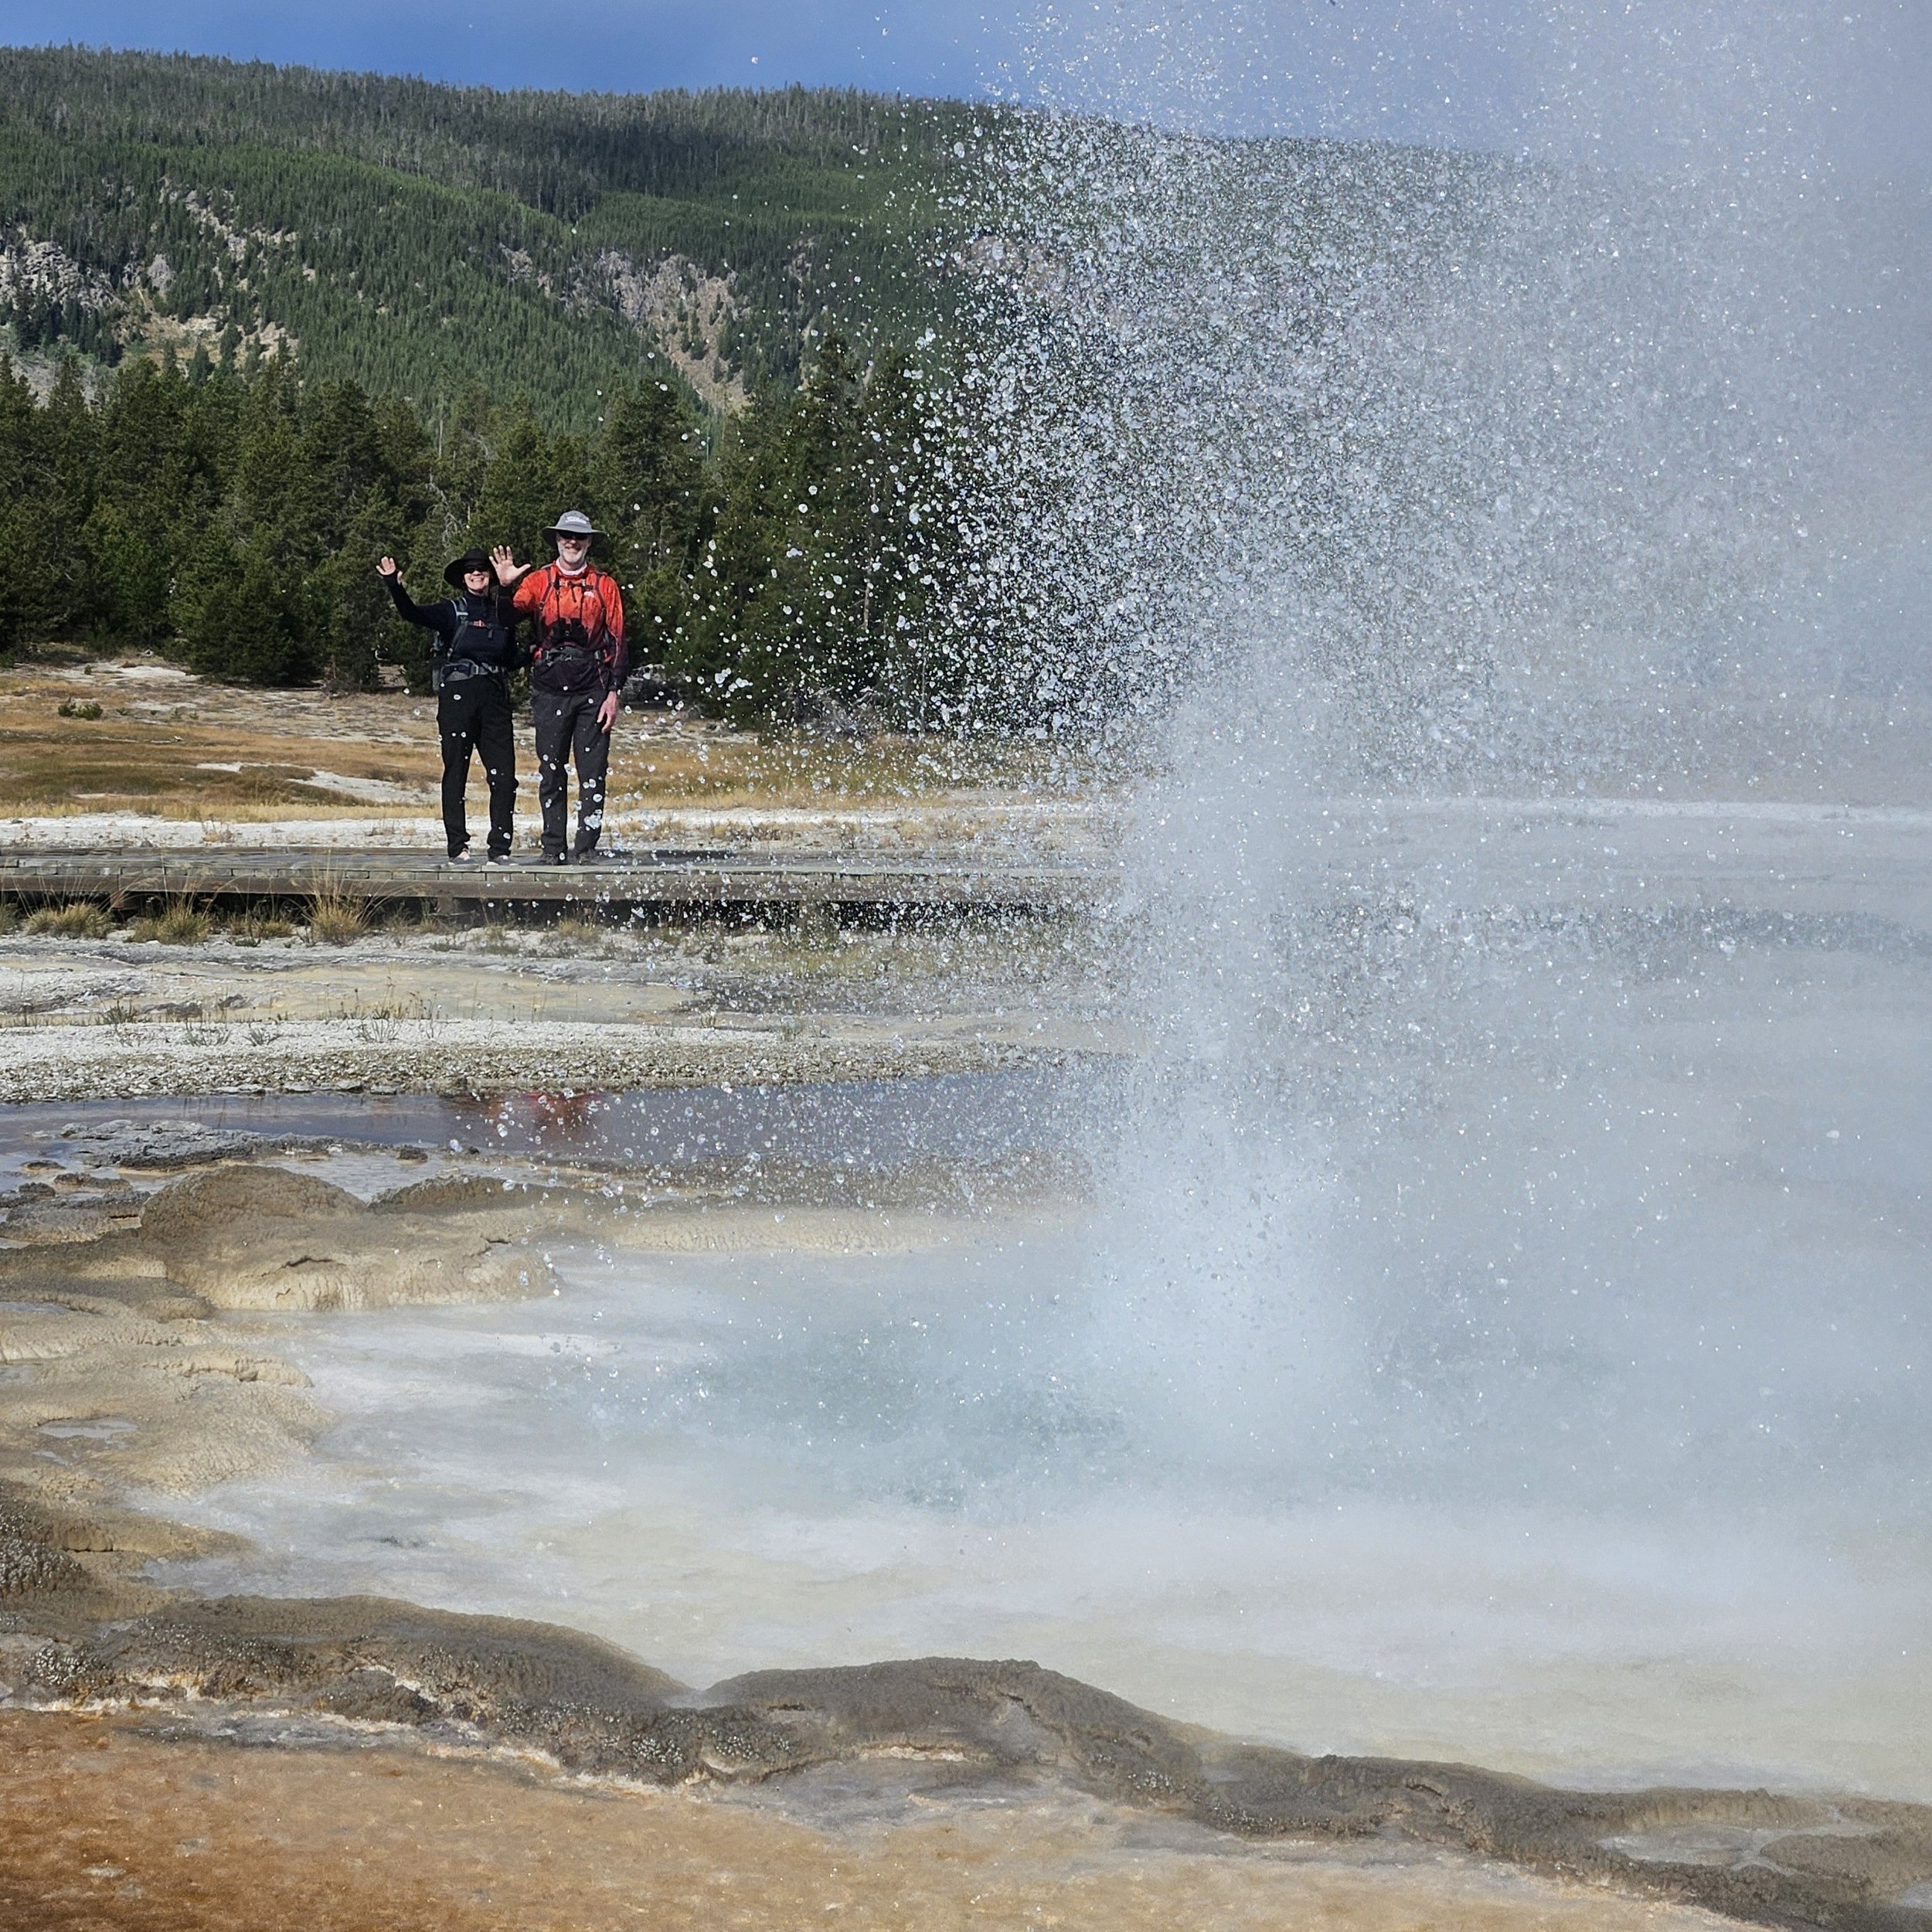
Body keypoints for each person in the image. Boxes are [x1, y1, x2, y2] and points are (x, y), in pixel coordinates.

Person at [492, 513, 628, 865]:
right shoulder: (538, 581)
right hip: (550, 688)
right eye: (566, 536)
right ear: (556, 540)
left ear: (589, 542)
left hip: (593, 689)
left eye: (579, 538)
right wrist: (505, 586)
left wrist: (614, 694)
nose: (572, 542)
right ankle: (553, 846)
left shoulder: (605, 585)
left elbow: (618, 641)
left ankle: (586, 847)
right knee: (551, 770)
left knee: (593, 772)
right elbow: (507, 618)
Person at [376, 547, 522, 862]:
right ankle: (458, 846)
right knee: (456, 770)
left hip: (495, 699)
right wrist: (394, 586)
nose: (476, 573)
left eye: (482, 568)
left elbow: (510, 660)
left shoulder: (503, 614)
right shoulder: (450, 611)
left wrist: (540, 651)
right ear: (462, 577)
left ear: (491, 574)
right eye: (470, 570)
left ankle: (500, 848)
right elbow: (411, 614)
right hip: (458, 698)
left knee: (505, 775)